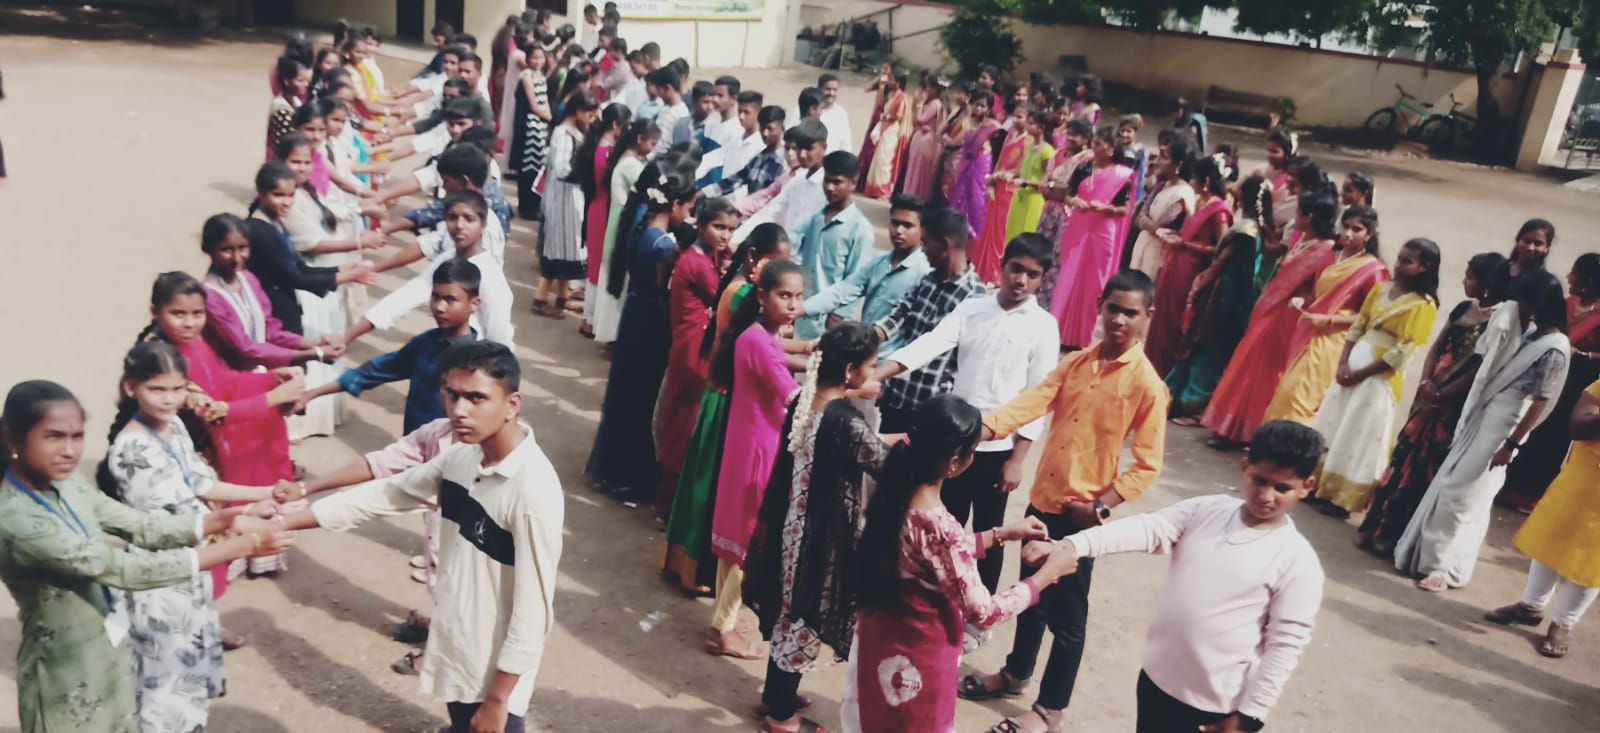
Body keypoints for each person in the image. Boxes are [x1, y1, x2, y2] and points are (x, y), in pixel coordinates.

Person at [283, 342, 562, 733]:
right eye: (452, 394)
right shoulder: (463, 456)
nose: (459, 410)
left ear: (512, 404)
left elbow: (533, 612)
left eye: (476, 398)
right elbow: (387, 493)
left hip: (495, 669)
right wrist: (285, 522)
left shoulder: (532, 491)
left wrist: (499, 700)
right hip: (457, 640)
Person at [959, 271, 1169, 733]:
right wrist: (984, 429)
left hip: (1081, 520)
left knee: (1068, 616)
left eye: (1130, 312)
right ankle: (1016, 674)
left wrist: (1101, 507)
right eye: (1112, 308)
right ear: (1099, 307)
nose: (1119, 319)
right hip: (1042, 504)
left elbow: (1148, 463)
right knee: (1030, 595)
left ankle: (1049, 708)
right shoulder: (1077, 363)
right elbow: (1034, 401)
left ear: (1147, 317)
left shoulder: (1147, 385)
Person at [1031, 420, 1327, 733]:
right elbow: (1149, 528)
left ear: (1307, 486)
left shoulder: (1297, 561)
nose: (1266, 495)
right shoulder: (1206, 511)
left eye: (1282, 488)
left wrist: (1249, 717)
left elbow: (1285, 645)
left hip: (1215, 706)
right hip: (1157, 679)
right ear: (1244, 467)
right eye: (1260, 480)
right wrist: (1075, 545)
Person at [93, 343, 297, 731]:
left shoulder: (174, 426)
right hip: (160, 575)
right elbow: (173, 522)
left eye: (177, 389)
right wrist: (243, 524)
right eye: (157, 389)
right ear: (131, 387)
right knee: (163, 684)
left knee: (185, 675)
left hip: (191, 566)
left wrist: (266, 493)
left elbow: (202, 483)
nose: (169, 399)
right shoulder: (131, 451)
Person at [842, 395, 1072, 733]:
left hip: (882, 640)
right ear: (954, 462)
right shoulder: (939, 526)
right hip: (918, 658)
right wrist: (1046, 576)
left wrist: (1002, 533)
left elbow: (931, 556)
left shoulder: (893, 493)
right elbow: (984, 611)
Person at [872, 234, 1059, 600]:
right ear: (1002, 265)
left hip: (998, 450)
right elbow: (930, 344)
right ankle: (940, 600)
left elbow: (1038, 396)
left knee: (991, 530)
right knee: (947, 526)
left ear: (1042, 279)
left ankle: (980, 609)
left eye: (1032, 274)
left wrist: (1017, 460)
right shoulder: (973, 309)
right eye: (1016, 269)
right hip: (954, 444)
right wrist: (878, 373)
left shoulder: (1043, 326)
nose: (1021, 280)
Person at [743, 322, 887, 733]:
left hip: (791, 528)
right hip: (819, 539)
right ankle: (782, 717)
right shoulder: (846, 422)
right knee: (805, 616)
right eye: (870, 366)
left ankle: (776, 694)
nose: (871, 374)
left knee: (789, 612)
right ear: (850, 371)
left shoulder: (805, 401)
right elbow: (881, 462)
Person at [1397, 270, 1571, 592]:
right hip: (1487, 415)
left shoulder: (1554, 348)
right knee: (1463, 490)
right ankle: (1438, 561)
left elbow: (1540, 402)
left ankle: (1442, 568)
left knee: (1462, 492)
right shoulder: (1532, 333)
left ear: (1537, 303)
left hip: (1504, 427)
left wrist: (1511, 444)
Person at [660, 225, 795, 596]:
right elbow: (767, 351)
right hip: (726, 402)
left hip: (724, 396)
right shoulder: (744, 295)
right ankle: (695, 571)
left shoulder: (742, 288)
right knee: (710, 488)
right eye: (775, 263)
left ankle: (688, 565)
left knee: (706, 484)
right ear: (754, 257)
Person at [1360, 253, 1509, 554]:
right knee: (1404, 457)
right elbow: (1437, 348)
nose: (1464, 281)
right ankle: (1378, 527)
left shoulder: (1500, 320)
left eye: (1470, 277)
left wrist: (1441, 395)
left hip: (1451, 406)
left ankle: (1401, 538)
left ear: (1488, 284)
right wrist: (1426, 382)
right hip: (1430, 394)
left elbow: (1481, 370)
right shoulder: (1464, 308)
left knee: (1426, 467)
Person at [707, 260, 808, 659]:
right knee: (743, 539)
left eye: (798, 297)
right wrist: (845, 390)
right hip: (757, 449)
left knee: (737, 536)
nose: (793, 305)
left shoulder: (759, 334)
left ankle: (725, 619)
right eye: (785, 296)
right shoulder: (760, 341)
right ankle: (721, 630)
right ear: (763, 297)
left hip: (749, 442)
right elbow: (793, 397)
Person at [585, 166, 697, 502]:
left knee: (626, 394)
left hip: (635, 316)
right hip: (650, 324)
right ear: (674, 205)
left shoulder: (643, 229)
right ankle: (629, 476)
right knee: (641, 400)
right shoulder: (663, 245)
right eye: (688, 209)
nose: (689, 217)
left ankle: (613, 470)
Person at [1309, 239, 1441, 518]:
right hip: (1351, 367)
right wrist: (1344, 362)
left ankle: (1341, 497)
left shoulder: (1423, 305)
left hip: (1378, 378)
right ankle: (1316, 483)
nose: (1399, 265)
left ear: (1424, 267)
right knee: (1335, 421)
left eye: (1408, 262)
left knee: (1359, 431)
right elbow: (1359, 325)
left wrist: (1360, 373)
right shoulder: (1381, 290)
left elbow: (1404, 351)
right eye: (1400, 258)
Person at [1201, 192, 1339, 448]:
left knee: (1264, 374)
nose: (1294, 217)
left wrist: (1301, 300)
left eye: (1298, 212)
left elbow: (1320, 289)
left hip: (1288, 317)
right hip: (1274, 310)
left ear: (1308, 217)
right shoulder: (1304, 241)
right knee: (1249, 366)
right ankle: (1232, 428)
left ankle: (1248, 431)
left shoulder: (1325, 250)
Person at [1487, 376, 1600, 658]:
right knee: (1551, 539)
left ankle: (1563, 623)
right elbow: (1578, 426)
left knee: (1592, 561)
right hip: (1582, 480)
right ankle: (1531, 606)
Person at [297, 259, 480, 431]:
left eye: (450, 300)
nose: (439, 307)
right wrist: (310, 394)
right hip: (414, 444)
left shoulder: (477, 363)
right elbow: (373, 371)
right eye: (435, 297)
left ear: (474, 304)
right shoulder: (425, 343)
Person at [1262, 205, 1390, 426]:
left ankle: (1292, 444)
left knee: (1303, 398)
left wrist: (1330, 320)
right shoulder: (1330, 257)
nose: (1348, 233)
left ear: (1369, 235)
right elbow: (1316, 294)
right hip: (1309, 331)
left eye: (1357, 229)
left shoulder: (1373, 270)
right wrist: (1303, 300)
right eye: (1345, 226)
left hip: (1335, 341)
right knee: (1285, 392)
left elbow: (1372, 318)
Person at [653, 199, 738, 516]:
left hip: (689, 344)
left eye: (730, 230)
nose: (725, 236)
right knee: (685, 423)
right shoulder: (699, 264)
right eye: (719, 227)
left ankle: (667, 500)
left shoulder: (699, 255)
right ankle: (668, 503)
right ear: (701, 226)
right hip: (695, 350)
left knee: (680, 419)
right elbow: (724, 298)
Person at [1498, 252, 1600, 512]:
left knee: (1551, 436)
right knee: (1532, 426)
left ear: (1588, 281)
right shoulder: (1569, 303)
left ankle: (1529, 495)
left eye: (1574, 273)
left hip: (1575, 385)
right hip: (1549, 375)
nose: (1568, 276)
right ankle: (1507, 486)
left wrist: (1584, 356)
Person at [873, 208, 988, 433]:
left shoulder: (975, 298)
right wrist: (868, 337)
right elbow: (900, 314)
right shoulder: (928, 280)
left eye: (926, 243)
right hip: (897, 397)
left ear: (944, 245)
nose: (923, 249)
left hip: (931, 410)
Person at [352, 190, 516, 349]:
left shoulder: (489, 275)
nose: (459, 225)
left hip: (472, 359)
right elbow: (405, 296)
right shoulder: (447, 258)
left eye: (469, 219)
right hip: (442, 352)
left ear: (483, 225)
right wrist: (348, 336)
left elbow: (500, 338)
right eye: (452, 218)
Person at [243, 161, 375, 338]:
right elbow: (296, 277)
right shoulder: (259, 230)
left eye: (291, 195)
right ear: (260, 192)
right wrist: (349, 276)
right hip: (272, 313)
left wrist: (343, 269)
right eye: (278, 195)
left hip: (285, 306)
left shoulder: (274, 221)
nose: (287, 202)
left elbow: (299, 267)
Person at [199, 213, 346, 371]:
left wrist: (316, 344)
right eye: (227, 250)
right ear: (208, 249)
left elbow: (270, 331)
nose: (236, 257)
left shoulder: (248, 279)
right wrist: (314, 353)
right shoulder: (210, 296)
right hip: (231, 375)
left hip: (259, 371)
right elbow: (246, 348)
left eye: (242, 248)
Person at [797, 195, 929, 350]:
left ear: (923, 230)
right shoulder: (879, 262)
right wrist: (799, 309)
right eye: (895, 223)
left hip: (893, 357)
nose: (899, 231)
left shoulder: (925, 272)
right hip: (865, 352)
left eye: (907, 225)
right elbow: (843, 291)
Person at [1147, 154, 1235, 376]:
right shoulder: (1199, 202)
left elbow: (1222, 249)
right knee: (1162, 316)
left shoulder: (1220, 210)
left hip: (1192, 270)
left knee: (1175, 321)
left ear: (1206, 182)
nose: (1191, 182)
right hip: (1176, 264)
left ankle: (1168, 371)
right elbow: (1189, 233)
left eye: (1194, 178)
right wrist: (1175, 235)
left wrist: (1186, 245)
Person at [1049, 126, 1135, 349]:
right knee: (1069, 275)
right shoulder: (1084, 167)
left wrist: (1107, 208)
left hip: (1103, 232)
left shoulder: (1122, 176)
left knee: (1094, 283)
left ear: (1111, 149)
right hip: (1078, 226)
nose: (1093, 148)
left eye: (1098, 144)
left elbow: (1125, 209)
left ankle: (1081, 337)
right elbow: (1067, 193)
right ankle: (1058, 331)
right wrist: (1073, 201)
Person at [592, 119, 661, 344]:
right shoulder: (632, 166)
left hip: (617, 217)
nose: (653, 150)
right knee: (619, 277)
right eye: (652, 144)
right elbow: (650, 190)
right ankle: (613, 335)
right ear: (640, 140)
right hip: (623, 221)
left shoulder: (625, 159)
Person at [793, 151, 874, 339]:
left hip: (829, 322)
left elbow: (857, 280)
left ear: (853, 183)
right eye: (827, 181)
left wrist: (839, 314)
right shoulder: (817, 218)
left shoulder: (860, 230)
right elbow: (793, 240)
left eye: (837, 182)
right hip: (802, 312)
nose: (830, 188)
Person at [577, 103, 631, 337]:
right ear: (616, 125)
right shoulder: (607, 152)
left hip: (596, 207)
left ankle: (588, 317)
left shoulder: (597, 146)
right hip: (603, 210)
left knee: (595, 266)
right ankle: (590, 319)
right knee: (598, 268)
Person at [1034, 119, 1094, 309]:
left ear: (1086, 138)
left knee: (1057, 258)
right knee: (1039, 252)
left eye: (1075, 135)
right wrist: (1053, 189)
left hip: (1068, 216)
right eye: (1068, 133)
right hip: (1049, 211)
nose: (1069, 138)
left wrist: (1053, 189)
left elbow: (1070, 191)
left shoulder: (1087, 161)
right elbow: (1046, 187)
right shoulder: (1059, 154)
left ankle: (1051, 302)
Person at [970, 102, 1029, 285]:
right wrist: (992, 181)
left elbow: (1022, 169)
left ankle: (995, 274)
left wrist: (1006, 174)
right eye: (1015, 116)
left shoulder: (1028, 141)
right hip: (998, 185)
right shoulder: (1010, 134)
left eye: (1020, 117)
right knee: (988, 229)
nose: (1016, 120)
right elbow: (1000, 160)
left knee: (1000, 233)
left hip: (1010, 189)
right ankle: (981, 270)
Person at [1127, 132, 1197, 280]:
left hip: (1159, 256)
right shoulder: (1162, 185)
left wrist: (1151, 226)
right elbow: (1141, 217)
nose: (1158, 161)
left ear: (1178, 165)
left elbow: (1173, 233)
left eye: (1164, 157)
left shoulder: (1183, 194)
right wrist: (1152, 226)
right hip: (1143, 247)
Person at [946, 93, 1002, 247]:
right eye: (976, 104)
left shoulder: (993, 128)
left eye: (982, 106)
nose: (978, 108)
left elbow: (999, 151)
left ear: (989, 109)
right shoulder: (967, 122)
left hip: (981, 165)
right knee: (959, 195)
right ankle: (954, 231)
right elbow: (956, 141)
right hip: (965, 163)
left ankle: (974, 237)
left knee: (976, 199)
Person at [508, 42, 552, 218]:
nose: (538, 61)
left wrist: (549, 117)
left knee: (538, 167)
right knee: (529, 167)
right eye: (535, 57)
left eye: (541, 57)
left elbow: (545, 101)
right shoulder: (526, 77)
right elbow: (533, 105)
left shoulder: (541, 76)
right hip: (531, 127)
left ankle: (534, 205)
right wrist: (549, 117)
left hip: (541, 126)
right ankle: (526, 207)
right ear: (527, 59)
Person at [1005, 109, 1058, 249]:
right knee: (1012, 234)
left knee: (1026, 237)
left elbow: (1049, 181)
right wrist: (1009, 174)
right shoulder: (1029, 145)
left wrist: (1025, 183)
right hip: (1020, 196)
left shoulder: (1048, 151)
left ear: (1041, 128)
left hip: (1034, 200)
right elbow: (1022, 169)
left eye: (1031, 123)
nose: (1027, 126)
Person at [862, 68, 912, 199]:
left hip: (891, 130)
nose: (889, 81)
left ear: (898, 82)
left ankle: (882, 190)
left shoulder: (901, 97)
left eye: (891, 79)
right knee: (878, 158)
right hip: (885, 128)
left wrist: (886, 116)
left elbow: (899, 116)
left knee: (884, 159)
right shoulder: (892, 95)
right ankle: (873, 189)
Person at [900, 75, 946, 200]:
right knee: (915, 168)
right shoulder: (934, 103)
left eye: (929, 87)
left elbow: (920, 120)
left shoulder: (935, 104)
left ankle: (913, 196)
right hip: (922, 138)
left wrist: (918, 104)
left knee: (917, 170)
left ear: (935, 89)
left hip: (925, 140)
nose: (927, 90)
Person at [817, 73, 852, 154]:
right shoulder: (809, 110)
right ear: (819, 89)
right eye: (827, 89)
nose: (831, 93)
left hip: (835, 159)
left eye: (834, 90)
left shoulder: (841, 113)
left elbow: (846, 142)